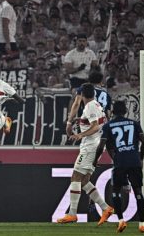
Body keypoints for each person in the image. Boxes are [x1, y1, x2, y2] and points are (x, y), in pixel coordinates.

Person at [57, 83, 113, 225]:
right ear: (93, 94)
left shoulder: (89, 107)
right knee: (84, 181)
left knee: (76, 177)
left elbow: (94, 126)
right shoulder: (97, 105)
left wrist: (80, 135)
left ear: (81, 95)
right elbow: (96, 122)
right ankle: (106, 208)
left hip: (90, 147)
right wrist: (80, 121)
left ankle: (72, 214)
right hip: (95, 145)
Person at [95, 101, 144, 233]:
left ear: (112, 112)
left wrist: (95, 160)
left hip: (120, 162)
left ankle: (121, 221)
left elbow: (102, 146)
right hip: (135, 161)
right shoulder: (134, 124)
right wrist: (140, 158)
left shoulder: (108, 126)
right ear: (125, 111)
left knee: (116, 190)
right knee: (138, 192)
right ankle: (142, 224)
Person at [66, 71, 111, 137]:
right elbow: (108, 113)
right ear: (101, 82)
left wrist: (69, 122)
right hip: (102, 124)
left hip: (89, 124)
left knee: (88, 143)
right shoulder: (106, 94)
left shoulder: (84, 88)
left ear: (88, 80)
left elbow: (76, 104)